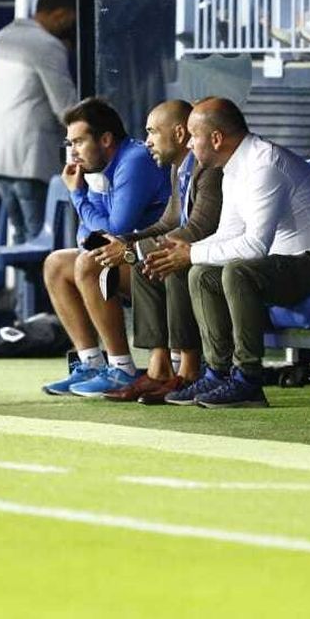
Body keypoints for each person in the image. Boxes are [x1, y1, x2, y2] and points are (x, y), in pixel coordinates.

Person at [150, 98, 310, 410]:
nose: (190, 145)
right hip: (287, 264)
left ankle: (248, 379)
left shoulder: (264, 165)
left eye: (194, 136)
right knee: (202, 273)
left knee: (238, 271)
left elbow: (254, 246)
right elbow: (229, 234)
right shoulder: (233, 165)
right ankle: (218, 373)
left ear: (217, 138)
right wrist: (190, 253)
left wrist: (192, 252)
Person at [39, 97, 170, 397]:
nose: (72, 152)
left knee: (89, 263)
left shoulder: (134, 161)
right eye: (69, 143)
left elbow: (116, 229)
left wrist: (77, 195)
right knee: (57, 264)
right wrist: (86, 192)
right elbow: (91, 237)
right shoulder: (98, 168)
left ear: (106, 139)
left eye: (79, 142)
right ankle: (91, 364)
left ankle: (121, 369)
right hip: (133, 258)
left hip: (163, 262)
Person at [101, 100, 225, 404]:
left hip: (218, 257)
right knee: (148, 262)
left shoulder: (208, 169)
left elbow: (198, 229)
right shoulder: (177, 169)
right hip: (195, 252)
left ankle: (190, 370)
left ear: (180, 133)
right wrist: (124, 241)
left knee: (168, 263)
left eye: (153, 132)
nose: (147, 142)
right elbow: (168, 223)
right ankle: (158, 368)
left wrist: (131, 249)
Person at [0, 0, 78, 242]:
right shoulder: (47, 45)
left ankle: (28, 285)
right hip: (29, 159)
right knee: (39, 240)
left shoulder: (0, 38)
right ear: (61, 15)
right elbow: (67, 108)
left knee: (22, 238)